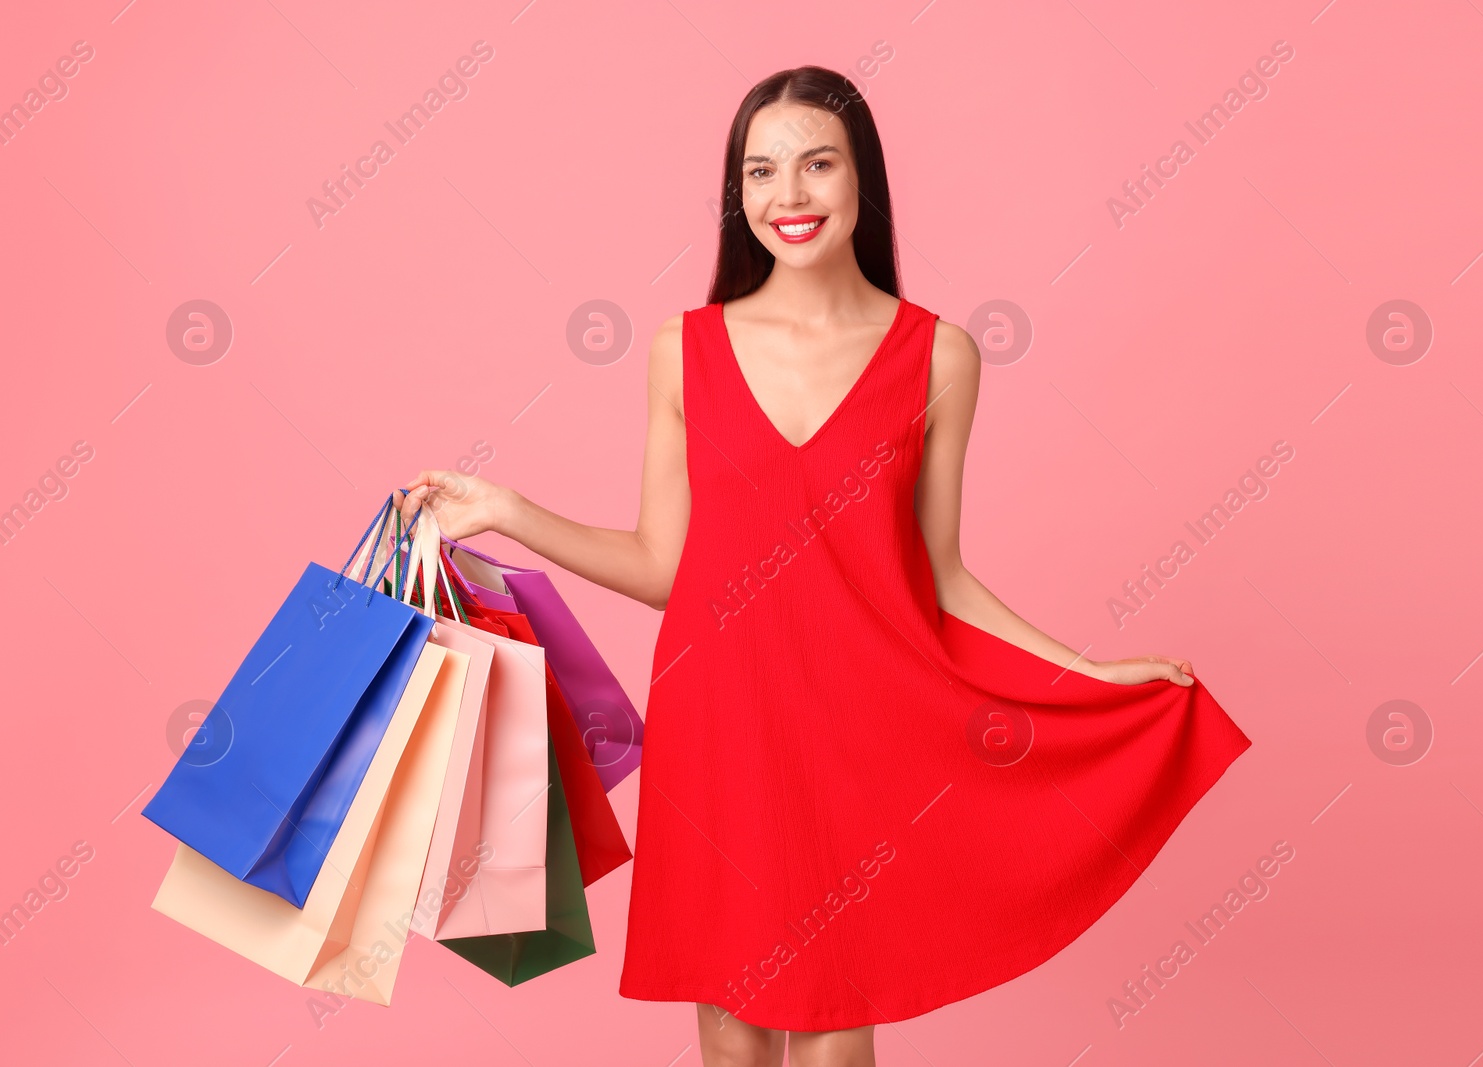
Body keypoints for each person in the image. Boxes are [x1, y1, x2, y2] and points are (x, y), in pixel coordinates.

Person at [405, 65, 1250, 1067]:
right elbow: (662, 564)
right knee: (732, 1031)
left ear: (862, 181)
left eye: (816, 165)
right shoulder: (684, 348)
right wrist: (509, 511)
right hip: (716, 724)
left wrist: (1090, 674)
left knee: (833, 1030)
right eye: (761, 172)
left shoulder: (939, 355)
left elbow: (940, 573)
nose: (788, 197)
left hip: (856, 730)